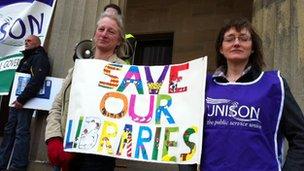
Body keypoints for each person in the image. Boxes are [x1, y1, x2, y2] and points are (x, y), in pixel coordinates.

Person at [201, 17, 304, 171]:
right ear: (221, 48)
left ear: (252, 47)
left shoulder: (274, 84)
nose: (236, 43)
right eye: (230, 39)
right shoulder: (203, 85)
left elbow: (300, 137)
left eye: (244, 38)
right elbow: (185, 134)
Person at [45, 13, 127, 171]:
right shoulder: (77, 68)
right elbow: (58, 104)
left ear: (119, 40)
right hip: (67, 151)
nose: (104, 34)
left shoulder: (124, 70)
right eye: (101, 29)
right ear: (95, 34)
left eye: (111, 31)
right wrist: (54, 138)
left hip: (99, 155)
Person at [0, 35, 50, 171]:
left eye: (29, 41)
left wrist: (22, 99)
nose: (26, 42)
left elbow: (37, 79)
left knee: (21, 132)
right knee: (10, 131)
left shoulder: (39, 57)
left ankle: (18, 166)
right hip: (16, 102)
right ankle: (3, 164)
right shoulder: (28, 57)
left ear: (37, 44)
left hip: (23, 102)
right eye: (25, 41)